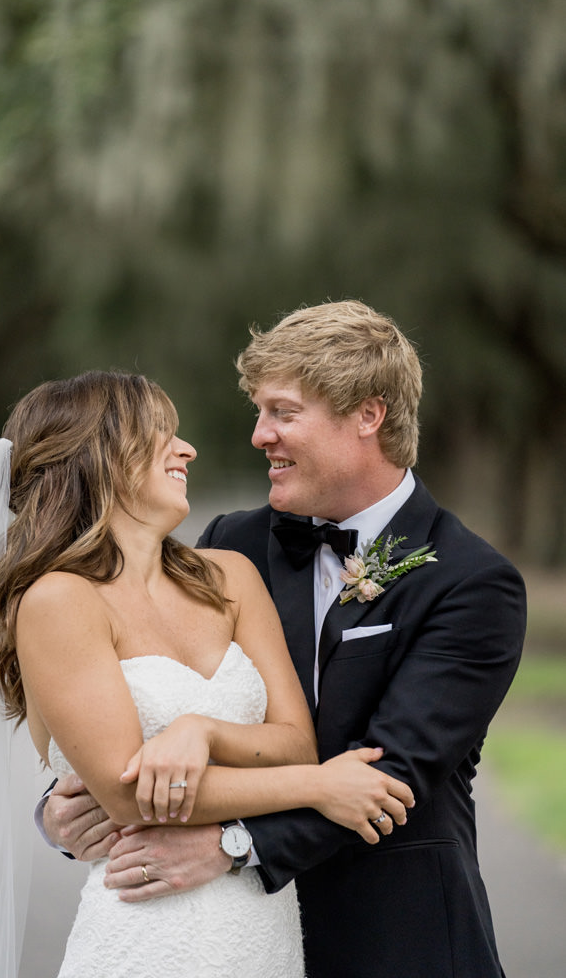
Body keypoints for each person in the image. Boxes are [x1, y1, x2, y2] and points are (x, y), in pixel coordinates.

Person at [43, 303, 527, 978]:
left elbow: (392, 776)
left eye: (281, 412)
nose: (258, 435)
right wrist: (67, 809)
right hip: (223, 937)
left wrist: (230, 845)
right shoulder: (229, 547)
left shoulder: (472, 582)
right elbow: (128, 693)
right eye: (258, 412)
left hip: (392, 938)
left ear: (367, 415)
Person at [0, 369, 415, 978]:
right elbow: (126, 795)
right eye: (160, 435)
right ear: (101, 456)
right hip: (146, 934)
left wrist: (205, 732)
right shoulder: (58, 601)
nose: (187, 449)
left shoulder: (230, 577)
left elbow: (296, 743)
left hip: (259, 931)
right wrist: (320, 788)